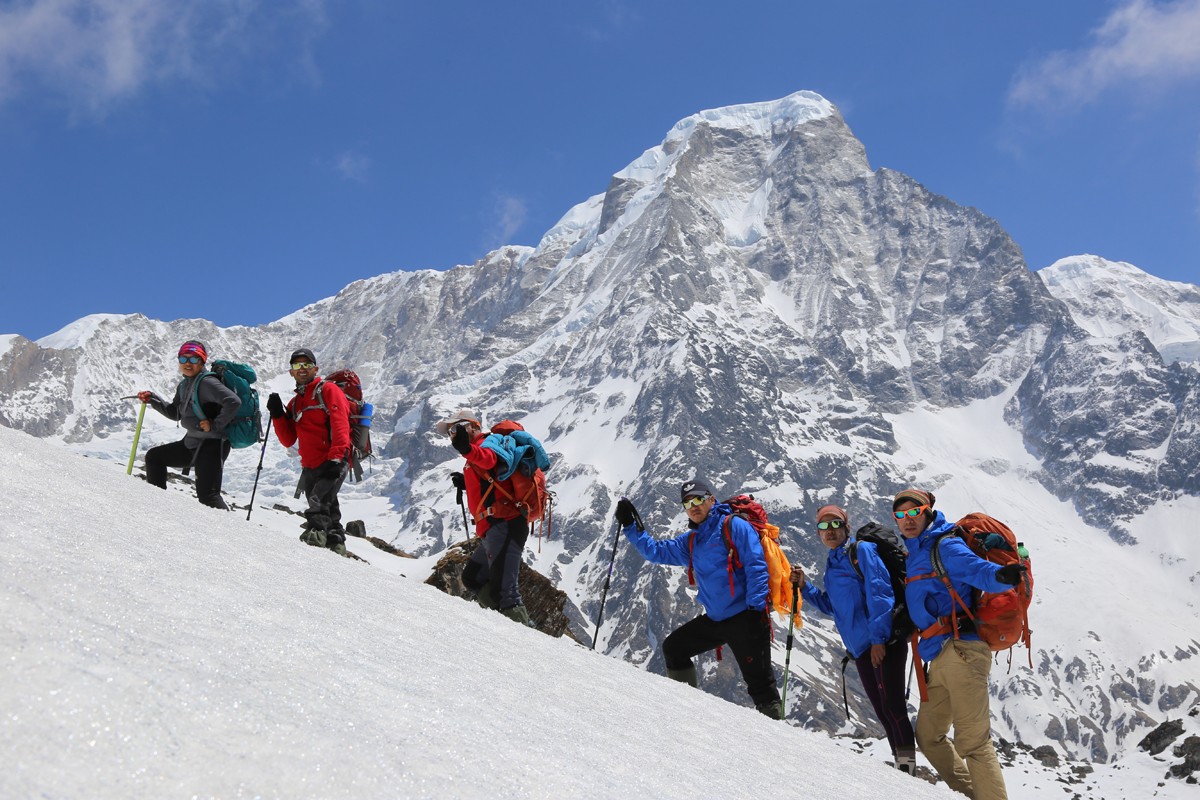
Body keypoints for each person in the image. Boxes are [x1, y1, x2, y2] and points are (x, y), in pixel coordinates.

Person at [896, 488, 1026, 800]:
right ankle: (974, 795)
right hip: (938, 658)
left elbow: (979, 571)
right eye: (900, 515)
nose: (907, 519)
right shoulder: (916, 553)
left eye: (914, 512)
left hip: (961, 652)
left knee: (974, 744)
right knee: (929, 737)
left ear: (928, 512)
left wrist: (1003, 576)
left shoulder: (946, 545)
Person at [614, 479, 782, 719]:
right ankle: (687, 713)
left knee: (761, 687)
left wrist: (756, 612)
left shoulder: (733, 526)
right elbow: (656, 551)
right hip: (716, 620)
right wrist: (631, 526)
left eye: (698, 499)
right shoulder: (692, 540)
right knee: (674, 648)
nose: (693, 506)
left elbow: (757, 567)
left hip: (747, 617)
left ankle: (780, 744)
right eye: (687, 503)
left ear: (711, 500)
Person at [792, 504, 916, 772]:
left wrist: (879, 639)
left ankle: (909, 773)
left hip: (883, 643)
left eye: (835, 524)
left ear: (846, 527)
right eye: (824, 526)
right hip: (861, 648)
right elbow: (832, 606)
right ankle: (903, 770)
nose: (830, 531)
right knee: (883, 712)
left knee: (893, 707)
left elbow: (880, 593)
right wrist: (806, 587)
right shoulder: (833, 562)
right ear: (818, 533)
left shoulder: (861, 552)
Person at [437, 408, 534, 626]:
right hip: (495, 527)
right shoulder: (474, 453)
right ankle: (502, 625)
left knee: (506, 593)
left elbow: (489, 460)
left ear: (472, 427)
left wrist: (466, 449)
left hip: (506, 524)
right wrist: (467, 482)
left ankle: (527, 643)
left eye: (456, 429)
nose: (452, 434)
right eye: (450, 432)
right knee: (473, 577)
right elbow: (490, 474)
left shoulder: (485, 446)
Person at [266, 349, 352, 557]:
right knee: (328, 505)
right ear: (291, 372)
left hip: (333, 458)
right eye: (297, 366)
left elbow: (340, 422)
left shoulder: (328, 390)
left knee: (318, 500)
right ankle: (336, 546)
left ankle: (314, 542)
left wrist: (337, 456)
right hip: (310, 463)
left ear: (315, 368)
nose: (302, 369)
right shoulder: (295, 403)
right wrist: (278, 414)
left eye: (306, 365)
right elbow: (288, 439)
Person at [138, 340, 241, 510]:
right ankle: (158, 509)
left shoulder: (208, 382)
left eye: (193, 359)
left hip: (212, 445)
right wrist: (152, 399)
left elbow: (233, 402)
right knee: (155, 458)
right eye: (183, 359)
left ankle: (230, 534)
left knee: (209, 496)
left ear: (202, 362)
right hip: (192, 443)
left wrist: (214, 425)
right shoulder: (185, 384)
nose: (188, 363)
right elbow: (175, 413)